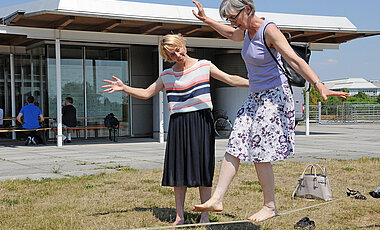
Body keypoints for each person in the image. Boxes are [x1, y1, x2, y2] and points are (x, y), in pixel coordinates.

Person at [192, 0, 350, 223]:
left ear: (247, 9)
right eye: (229, 19)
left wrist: (319, 85)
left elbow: (294, 60)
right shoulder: (244, 32)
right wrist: (206, 19)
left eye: (233, 17)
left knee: (259, 148)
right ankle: (217, 199)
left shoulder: (269, 30)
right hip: (255, 97)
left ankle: (269, 205)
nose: (232, 23)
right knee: (235, 141)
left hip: (274, 96)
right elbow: (230, 34)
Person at [102, 34, 249, 225]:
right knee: (179, 170)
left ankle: (205, 214)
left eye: (178, 49)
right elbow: (147, 93)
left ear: (183, 45)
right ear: (167, 57)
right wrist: (124, 88)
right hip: (178, 123)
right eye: (171, 55)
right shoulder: (167, 75)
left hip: (202, 120)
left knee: (203, 168)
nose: (177, 55)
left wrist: (254, 83)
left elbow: (229, 78)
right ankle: (180, 216)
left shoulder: (204, 65)